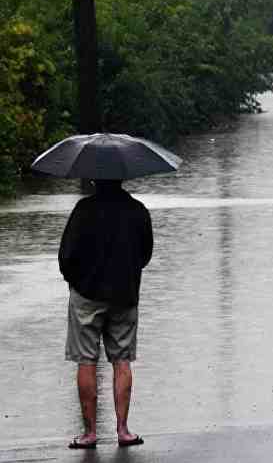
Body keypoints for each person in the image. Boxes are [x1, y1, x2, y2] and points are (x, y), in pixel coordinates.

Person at [59, 179, 153, 449]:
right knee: (122, 361)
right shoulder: (138, 210)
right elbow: (145, 254)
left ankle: (89, 434)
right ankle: (123, 431)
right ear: (123, 177)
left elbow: (66, 255)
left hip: (86, 295)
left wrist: (75, 281)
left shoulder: (83, 210)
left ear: (94, 179)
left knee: (86, 361)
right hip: (124, 295)